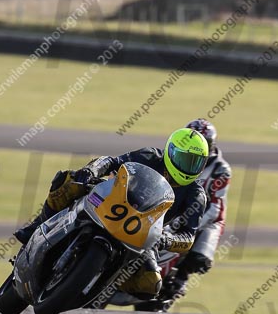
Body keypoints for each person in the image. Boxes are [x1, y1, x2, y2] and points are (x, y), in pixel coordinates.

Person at [15, 128, 208, 299]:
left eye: (195, 163)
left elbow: (189, 237)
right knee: (68, 182)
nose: (188, 166)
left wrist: (167, 240)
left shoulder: (196, 195)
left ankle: (102, 282)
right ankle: (37, 227)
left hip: (144, 232)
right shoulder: (150, 156)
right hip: (112, 199)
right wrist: (91, 170)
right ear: (171, 152)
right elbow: (112, 162)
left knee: (150, 284)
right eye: (184, 159)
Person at [159, 118, 232, 306]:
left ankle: (178, 281)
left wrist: (186, 220)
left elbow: (216, 206)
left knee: (199, 256)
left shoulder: (220, 170)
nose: (192, 151)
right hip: (175, 206)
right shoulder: (175, 158)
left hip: (207, 215)